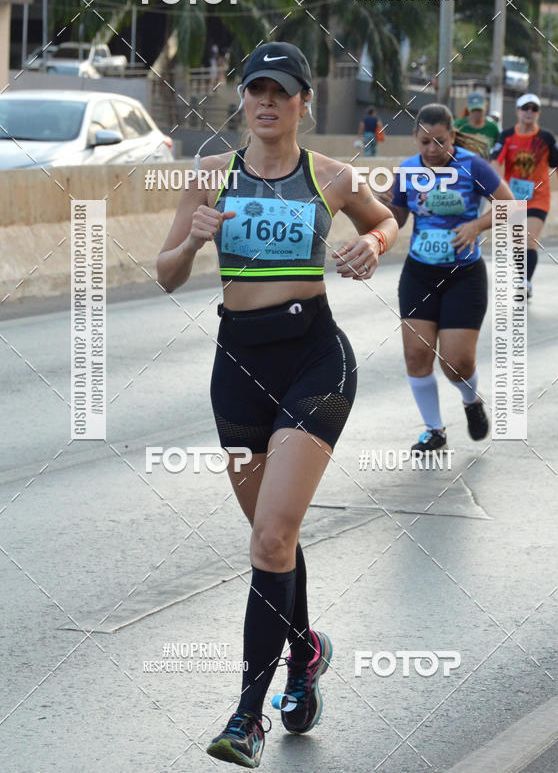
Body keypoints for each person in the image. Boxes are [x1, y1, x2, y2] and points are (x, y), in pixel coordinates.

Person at [157, 41, 397, 768]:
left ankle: (245, 717)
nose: (265, 101)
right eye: (255, 89)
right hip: (237, 369)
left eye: (279, 91)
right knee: (275, 541)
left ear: (302, 104)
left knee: (269, 538)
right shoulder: (207, 177)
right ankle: (308, 651)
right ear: (245, 100)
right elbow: (165, 275)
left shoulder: (330, 175)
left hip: (315, 360)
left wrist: (376, 244)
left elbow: (386, 218)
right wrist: (193, 245)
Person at [380, 103, 514, 455]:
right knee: (416, 355)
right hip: (419, 273)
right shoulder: (408, 169)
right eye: (424, 142)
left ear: (452, 136)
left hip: (463, 276)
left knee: (456, 363)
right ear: (415, 138)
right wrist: (382, 206)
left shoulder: (472, 166)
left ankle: (470, 400)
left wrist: (475, 225)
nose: (432, 150)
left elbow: (511, 206)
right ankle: (434, 430)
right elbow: (399, 215)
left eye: (440, 141)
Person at [490, 93, 558, 299]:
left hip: (538, 197)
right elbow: (494, 163)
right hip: (514, 198)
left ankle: (525, 282)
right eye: (525, 108)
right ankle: (522, 277)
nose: (529, 112)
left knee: (529, 238)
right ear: (517, 111)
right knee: (518, 241)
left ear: (538, 113)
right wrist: (495, 191)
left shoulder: (546, 138)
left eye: (533, 109)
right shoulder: (507, 136)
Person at [454, 91, 499, 157]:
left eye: (479, 110)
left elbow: (499, 150)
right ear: (468, 108)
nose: (476, 114)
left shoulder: (493, 127)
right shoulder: (458, 125)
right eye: (474, 110)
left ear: (486, 106)